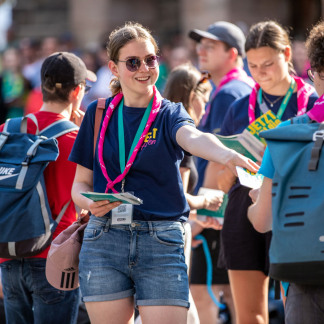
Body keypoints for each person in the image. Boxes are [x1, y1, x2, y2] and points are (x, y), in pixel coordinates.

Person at [69, 22, 258, 324]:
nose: (144, 68)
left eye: (150, 59)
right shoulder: (98, 114)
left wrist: (227, 155)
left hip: (161, 240)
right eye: (133, 62)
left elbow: (193, 138)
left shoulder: (170, 113)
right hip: (104, 238)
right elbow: (79, 184)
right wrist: (88, 203)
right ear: (114, 69)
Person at [215, 20, 318, 324]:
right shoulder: (238, 107)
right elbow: (221, 181)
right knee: (249, 316)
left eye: (268, 64)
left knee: (297, 308)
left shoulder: (311, 102)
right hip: (244, 206)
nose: (259, 73)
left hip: (294, 209)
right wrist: (235, 166)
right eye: (253, 66)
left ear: (287, 54)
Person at [0, 51, 97, 324]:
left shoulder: (6, 132)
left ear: (43, 86)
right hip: (56, 259)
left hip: (8, 253)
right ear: (77, 92)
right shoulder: (77, 139)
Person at [248, 20, 324, 324]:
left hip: (304, 273)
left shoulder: (286, 135)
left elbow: (262, 221)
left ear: (317, 72)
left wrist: (257, 200)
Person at [188, 21, 255, 324]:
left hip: (221, 213)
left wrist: (205, 216)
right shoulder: (224, 90)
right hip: (220, 212)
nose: (200, 50)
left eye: (210, 45)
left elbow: (227, 161)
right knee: (224, 295)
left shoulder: (231, 92)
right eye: (200, 44)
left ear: (233, 53)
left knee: (215, 296)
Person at [163, 62, 221, 324]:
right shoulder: (183, 134)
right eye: (205, 98)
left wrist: (195, 220)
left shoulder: (161, 128)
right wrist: (207, 200)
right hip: (171, 235)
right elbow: (178, 196)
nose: (206, 106)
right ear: (191, 95)